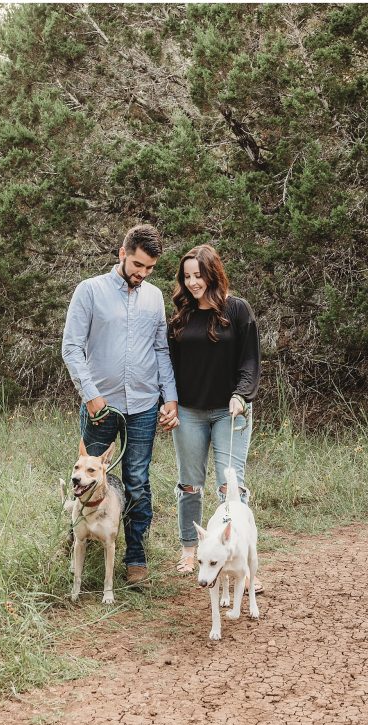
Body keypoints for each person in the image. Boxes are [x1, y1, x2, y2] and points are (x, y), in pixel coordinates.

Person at [62, 223, 179, 587]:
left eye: (150, 268)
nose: (142, 273)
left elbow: (160, 350)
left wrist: (170, 397)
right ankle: (77, 542)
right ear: (122, 253)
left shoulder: (154, 297)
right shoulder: (90, 290)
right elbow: (71, 347)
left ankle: (135, 558)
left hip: (143, 405)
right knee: (87, 477)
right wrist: (91, 395)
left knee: (137, 482)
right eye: (138, 265)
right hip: (100, 407)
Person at [167, 244, 261, 592]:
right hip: (189, 411)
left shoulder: (237, 310)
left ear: (213, 274)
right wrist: (168, 403)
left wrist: (241, 394)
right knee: (190, 485)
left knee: (230, 486)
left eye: (198, 275)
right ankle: (190, 551)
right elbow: (169, 366)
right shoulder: (180, 316)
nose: (193, 283)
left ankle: (242, 562)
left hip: (229, 409)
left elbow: (250, 360)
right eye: (187, 277)